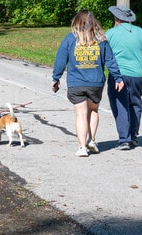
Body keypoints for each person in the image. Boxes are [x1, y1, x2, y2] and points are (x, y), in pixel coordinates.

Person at [52, 10, 125, 157]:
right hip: (95, 82)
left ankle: (82, 147)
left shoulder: (70, 39)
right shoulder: (101, 39)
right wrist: (118, 78)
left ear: (77, 22)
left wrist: (56, 78)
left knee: (80, 114)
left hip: (76, 83)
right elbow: (110, 60)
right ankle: (92, 140)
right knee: (93, 111)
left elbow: (61, 59)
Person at [106, 5, 142, 150]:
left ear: (116, 18)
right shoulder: (141, 32)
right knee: (135, 103)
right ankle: (133, 136)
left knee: (120, 104)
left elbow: (104, 52)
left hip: (119, 74)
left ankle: (124, 139)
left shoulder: (110, 33)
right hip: (138, 75)